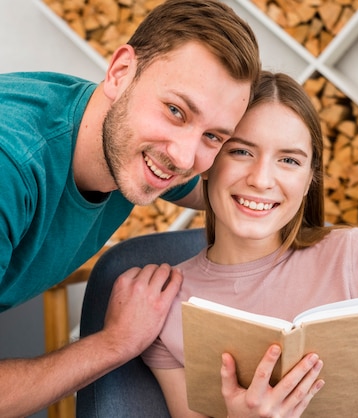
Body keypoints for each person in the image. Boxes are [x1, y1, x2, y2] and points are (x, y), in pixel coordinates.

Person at [142, 71, 358, 417]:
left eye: (289, 160)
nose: (261, 179)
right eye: (241, 151)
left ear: (308, 179)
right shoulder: (168, 303)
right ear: (208, 160)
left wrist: (327, 402)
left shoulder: (356, 256)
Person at [0, 0, 262, 416]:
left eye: (213, 136)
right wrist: (115, 342)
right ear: (121, 72)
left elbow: (216, 191)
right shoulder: (10, 167)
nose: (184, 156)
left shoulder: (128, 140)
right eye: (176, 111)